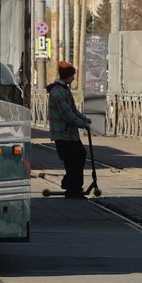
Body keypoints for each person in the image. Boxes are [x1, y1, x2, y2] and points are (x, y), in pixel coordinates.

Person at [47, 61, 93, 200]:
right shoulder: (58, 92)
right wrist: (82, 124)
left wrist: (84, 119)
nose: (73, 78)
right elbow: (67, 114)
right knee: (73, 161)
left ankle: (71, 185)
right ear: (67, 76)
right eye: (72, 75)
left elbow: (73, 109)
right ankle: (73, 189)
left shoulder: (64, 89)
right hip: (63, 134)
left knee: (79, 156)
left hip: (70, 134)